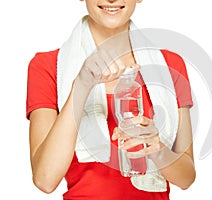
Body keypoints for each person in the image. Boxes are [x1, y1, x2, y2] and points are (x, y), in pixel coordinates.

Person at [26, 0, 196, 199]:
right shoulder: (48, 66)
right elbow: (45, 180)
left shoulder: (170, 66)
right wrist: (81, 86)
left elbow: (187, 178)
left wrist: (157, 149)